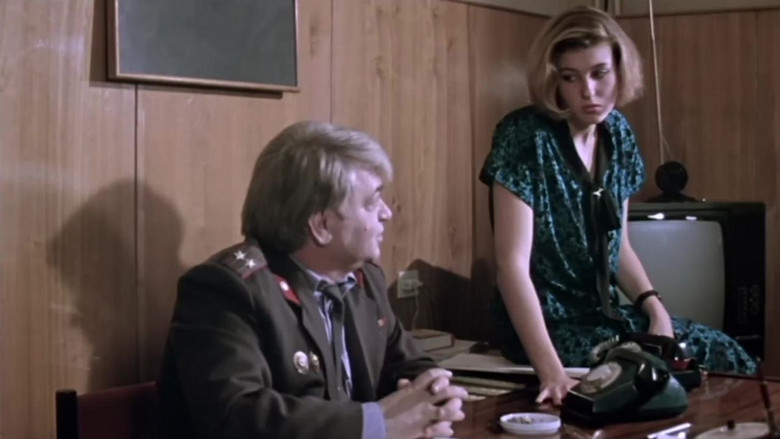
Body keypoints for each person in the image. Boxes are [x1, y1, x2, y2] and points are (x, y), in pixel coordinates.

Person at [478, 6, 756, 406]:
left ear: (620, 70)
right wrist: (552, 373)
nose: (588, 92)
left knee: (721, 351)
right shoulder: (524, 137)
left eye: (599, 74)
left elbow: (619, 246)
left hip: (608, 317)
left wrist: (656, 311)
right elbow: (511, 267)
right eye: (571, 77)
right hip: (550, 326)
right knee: (640, 370)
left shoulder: (618, 133)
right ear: (553, 79)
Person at [159, 121, 468, 439]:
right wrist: (376, 425)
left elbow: (407, 363)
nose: (387, 213)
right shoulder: (225, 289)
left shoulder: (365, 279)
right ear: (321, 225)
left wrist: (435, 394)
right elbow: (237, 415)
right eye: (371, 202)